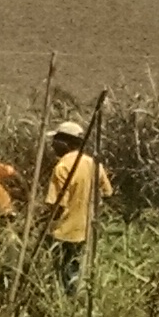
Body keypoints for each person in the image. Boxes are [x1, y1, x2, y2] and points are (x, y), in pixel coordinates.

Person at [45, 118, 109, 295]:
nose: (52, 144)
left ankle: (67, 301)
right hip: (86, 229)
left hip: (63, 231)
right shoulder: (94, 164)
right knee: (77, 270)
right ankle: (76, 299)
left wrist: (43, 224)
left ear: (65, 142)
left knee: (61, 274)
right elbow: (107, 192)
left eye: (56, 140)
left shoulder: (62, 167)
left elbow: (57, 206)